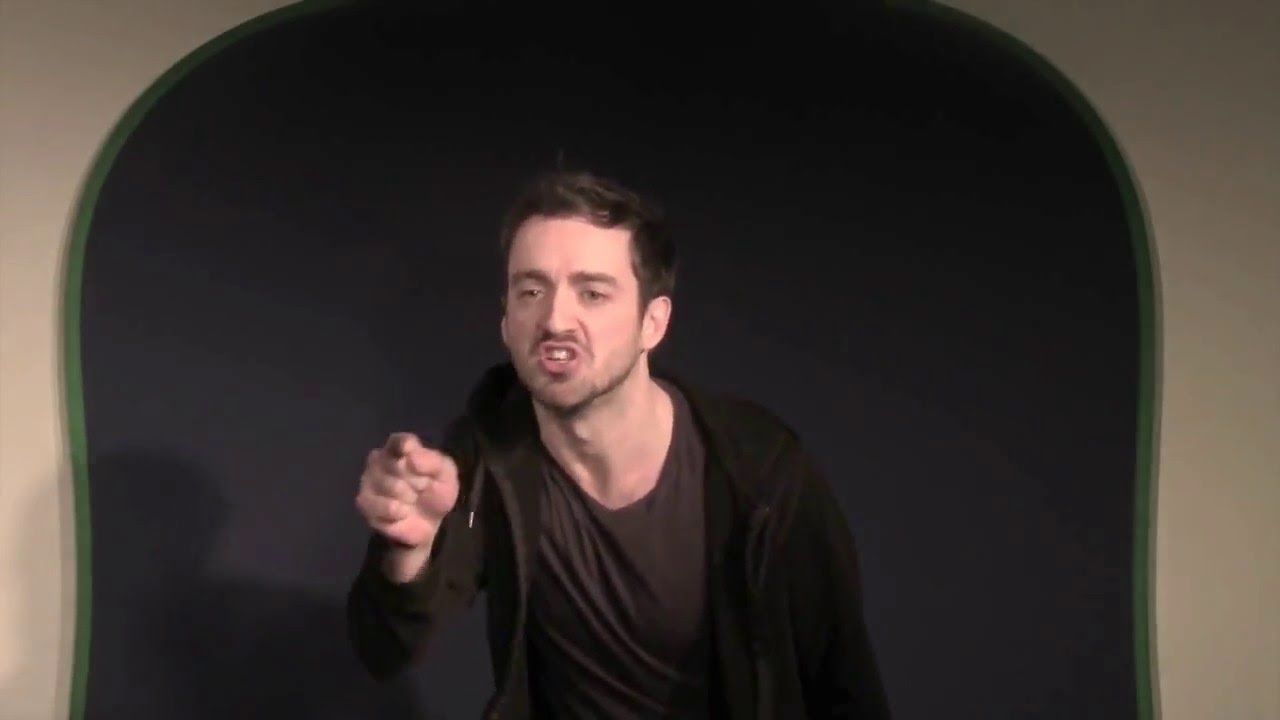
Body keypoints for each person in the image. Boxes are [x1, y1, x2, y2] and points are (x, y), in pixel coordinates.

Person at [346, 170, 891, 719]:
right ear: (507, 321)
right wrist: (407, 550)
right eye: (532, 291)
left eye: (593, 293)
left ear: (652, 323)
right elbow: (384, 650)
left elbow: (845, 687)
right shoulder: (489, 452)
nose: (555, 319)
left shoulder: (762, 471)